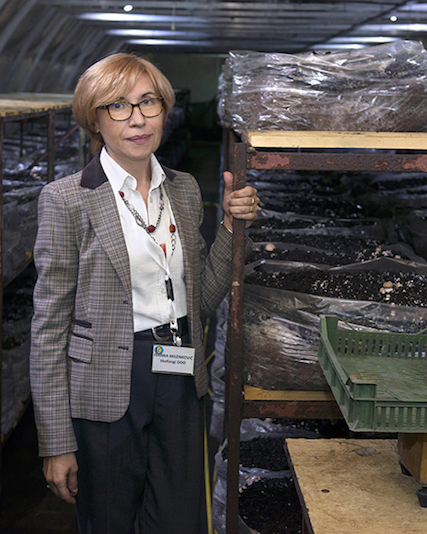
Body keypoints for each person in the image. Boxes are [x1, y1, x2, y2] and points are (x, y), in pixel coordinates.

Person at [29, 52, 259, 534]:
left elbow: (201, 300)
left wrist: (232, 228)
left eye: (148, 102)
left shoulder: (185, 190)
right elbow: (49, 328)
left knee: (179, 520)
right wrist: (56, 442)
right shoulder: (67, 199)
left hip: (178, 374)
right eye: (118, 106)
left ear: (164, 110)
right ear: (94, 119)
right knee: (109, 521)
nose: (137, 119)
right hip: (107, 383)